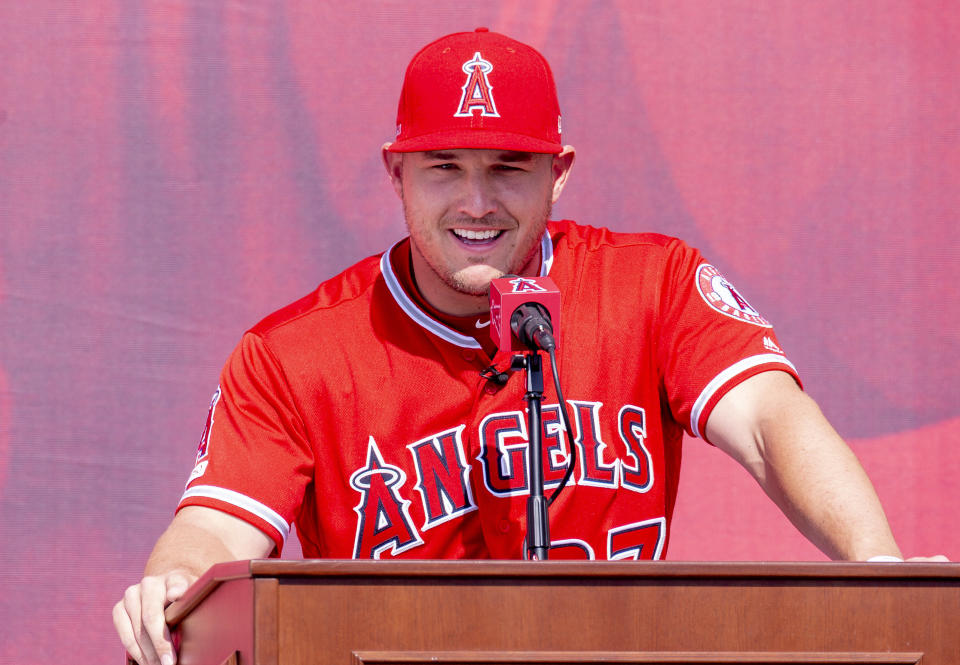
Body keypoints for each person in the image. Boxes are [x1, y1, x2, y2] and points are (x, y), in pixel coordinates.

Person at [113, 28, 946, 665]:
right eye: (444, 166)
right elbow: (215, 532)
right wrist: (173, 586)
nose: (477, 201)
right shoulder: (294, 352)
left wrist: (880, 572)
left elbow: (770, 423)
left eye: (509, 166)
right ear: (394, 172)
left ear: (561, 171)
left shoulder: (647, 283)